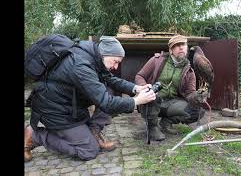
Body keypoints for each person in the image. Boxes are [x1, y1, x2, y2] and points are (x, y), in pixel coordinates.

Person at [24, 36, 156, 162]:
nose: (116, 67)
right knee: (89, 150)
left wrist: (136, 88)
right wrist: (136, 101)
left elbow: (111, 80)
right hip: (54, 110)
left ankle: (93, 132)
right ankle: (36, 136)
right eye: (115, 61)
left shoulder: (93, 57)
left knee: (108, 89)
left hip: (69, 105)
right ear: (104, 54)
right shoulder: (81, 65)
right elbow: (106, 103)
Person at [135, 35, 208, 141]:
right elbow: (139, 76)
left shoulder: (189, 71)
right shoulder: (156, 61)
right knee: (153, 96)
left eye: (183, 45)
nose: (181, 48)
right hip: (152, 101)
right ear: (171, 50)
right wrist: (144, 87)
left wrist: (197, 96)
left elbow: (189, 93)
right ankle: (152, 128)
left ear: (187, 47)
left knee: (197, 112)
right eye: (177, 45)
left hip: (171, 104)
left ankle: (166, 122)